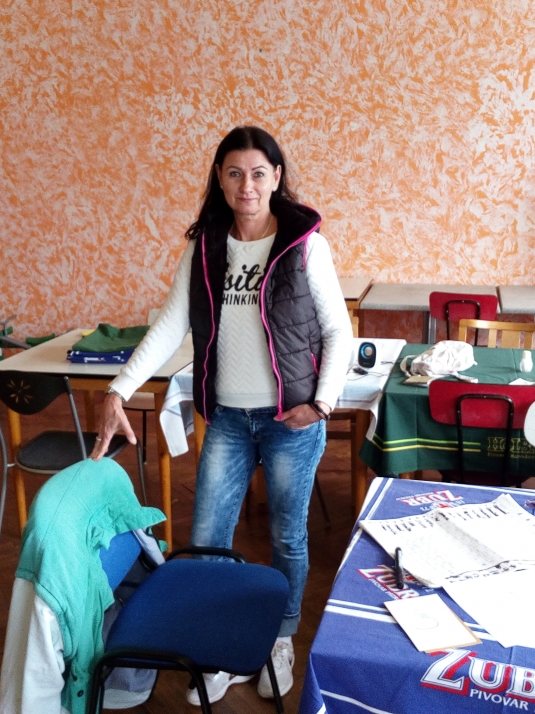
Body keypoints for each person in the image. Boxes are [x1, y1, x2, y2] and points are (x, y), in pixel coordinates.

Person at [89, 125, 353, 705]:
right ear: (219, 178)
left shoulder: (304, 245)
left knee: (287, 537)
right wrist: (119, 389)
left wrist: (322, 403)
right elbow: (170, 326)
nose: (246, 186)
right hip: (228, 420)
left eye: (258, 173)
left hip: (290, 420)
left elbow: (338, 330)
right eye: (234, 173)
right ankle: (217, 644)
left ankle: (279, 637)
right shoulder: (206, 246)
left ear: (276, 177)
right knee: (208, 537)